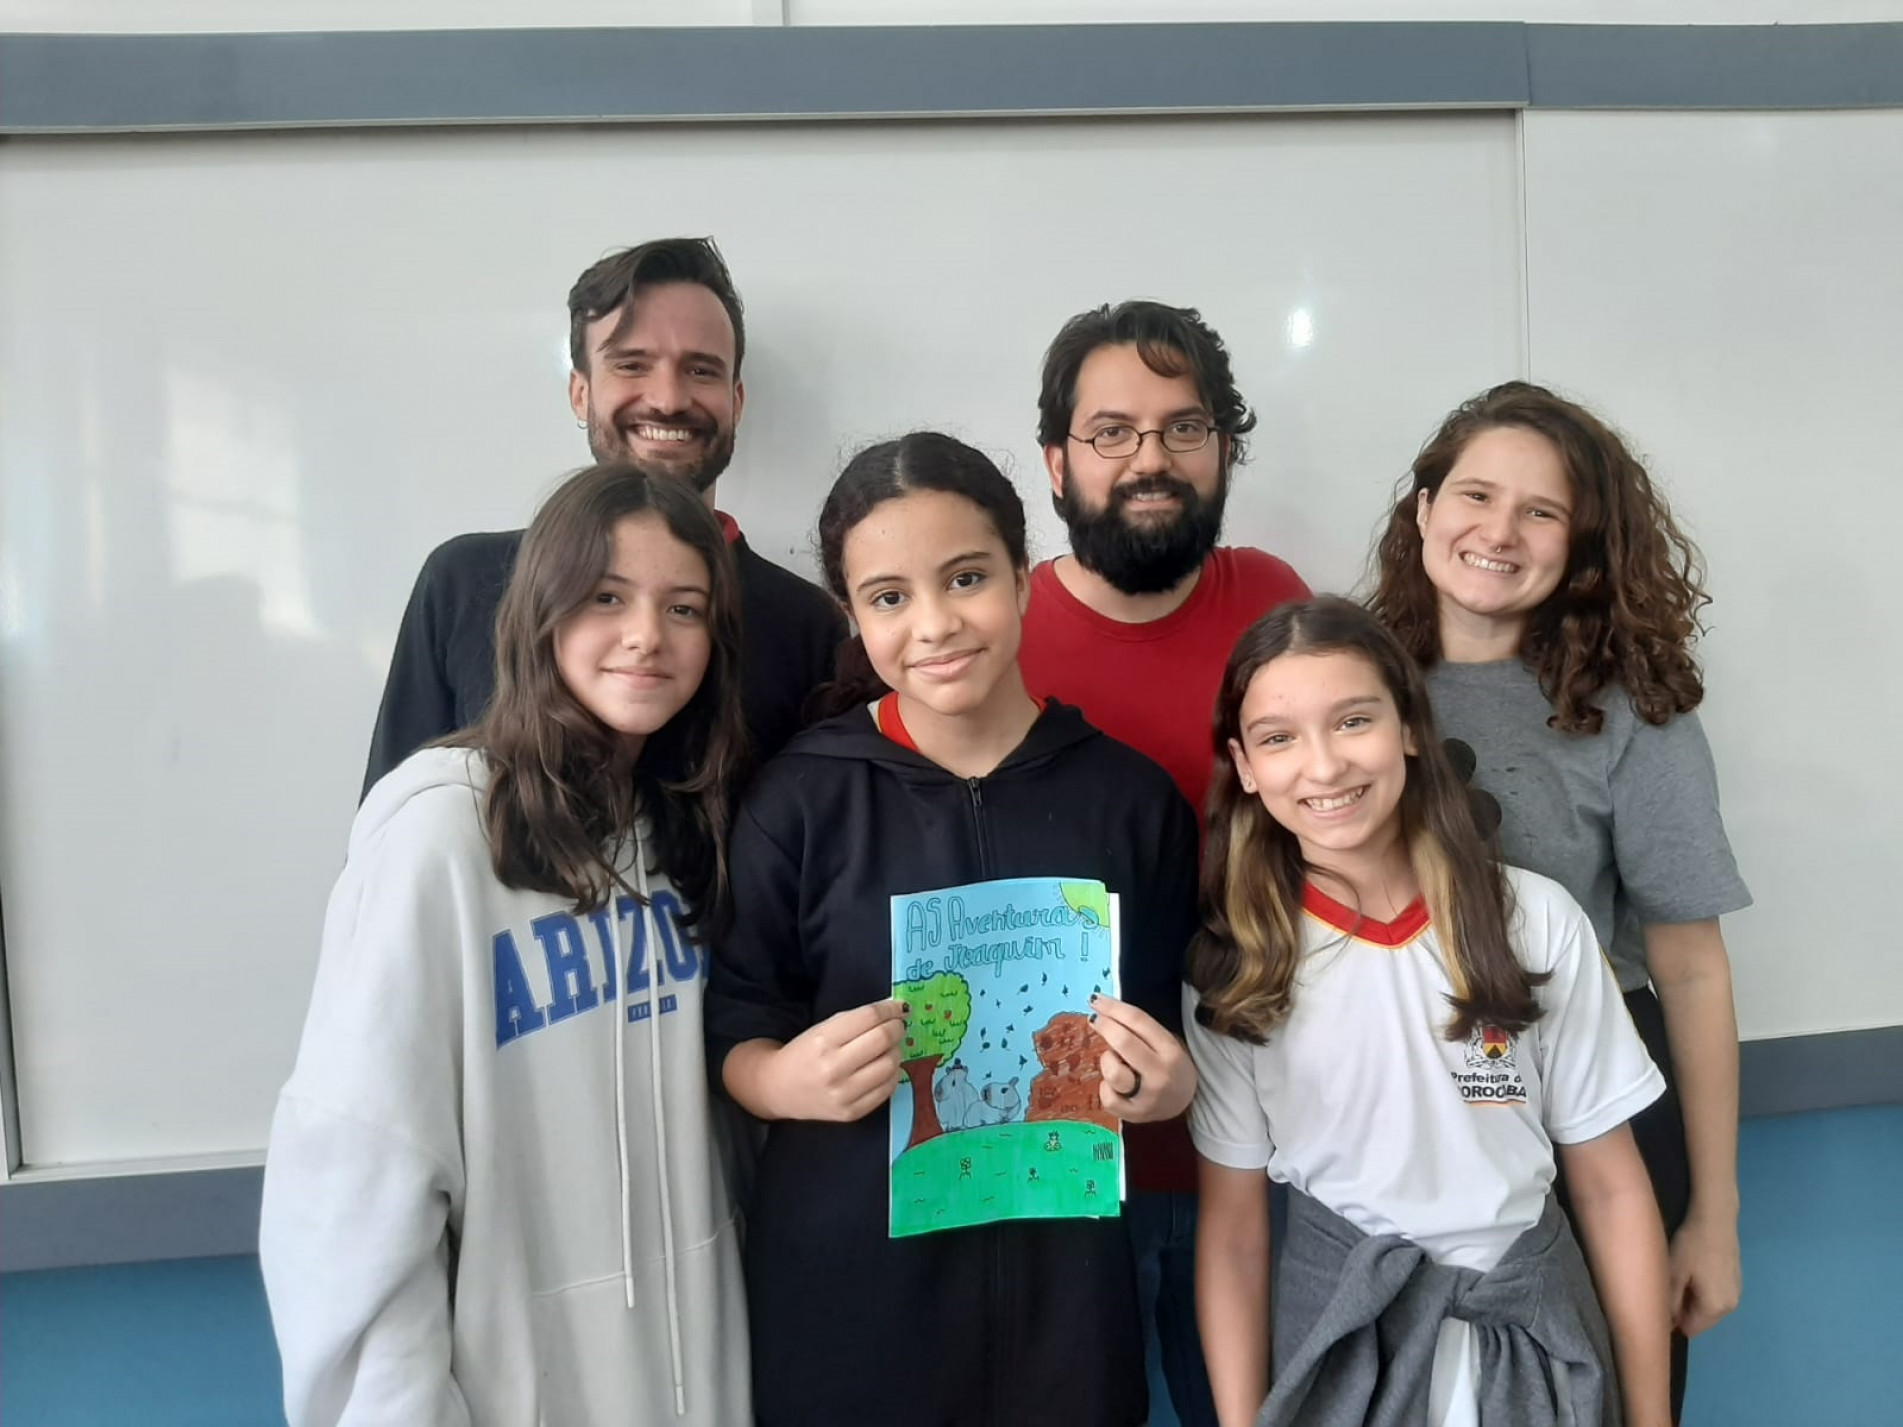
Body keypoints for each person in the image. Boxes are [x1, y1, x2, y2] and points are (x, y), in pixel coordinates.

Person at [705, 431, 1202, 1427]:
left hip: (1063, 1301)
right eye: (889, 596)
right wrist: (775, 1077)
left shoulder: (1129, 798)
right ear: (853, 616)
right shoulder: (802, 798)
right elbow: (730, 1018)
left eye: (965, 576)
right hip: (847, 1297)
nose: (934, 623)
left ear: (1023, 578)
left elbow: (1175, 1021)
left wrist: (1170, 1082)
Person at [261, 466, 751, 1425]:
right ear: (541, 612)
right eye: (607, 596)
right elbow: (357, 1187)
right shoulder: (437, 838)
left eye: (682, 606)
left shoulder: (684, 833)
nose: (647, 634)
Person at [1186, 597, 1673, 1427]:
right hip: (1346, 1348)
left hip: (1534, 1340)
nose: (1323, 766)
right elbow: (1233, 1234)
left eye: (1352, 720)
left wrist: (1651, 1415)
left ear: (1409, 725)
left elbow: (1611, 1187)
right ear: (1243, 763)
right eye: (1278, 738)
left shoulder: (1532, 917)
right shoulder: (1234, 966)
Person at [1368, 380, 1752, 1421]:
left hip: (1596, 1109)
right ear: (1423, 508)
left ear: (1580, 542)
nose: (1499, 531)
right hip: (1394, 1107)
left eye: (1540, 511)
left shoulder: (1634, 709)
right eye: (1475, 495)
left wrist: (1710, 1212)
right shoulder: (1350, 679)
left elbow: (1688, 966)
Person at [1019, 298, 1310, 1426]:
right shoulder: (994, 638)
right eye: (1112, 431)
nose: (1151, 458)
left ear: (1224, 448)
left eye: (1184, 428)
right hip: (1056, 1173)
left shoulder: (1278, 606)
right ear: (1056, 460)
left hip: (1264, 1158)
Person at [361, 236, 842, 796]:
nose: (667, 399)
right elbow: (389, 827)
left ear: (736, 402)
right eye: (632, 365)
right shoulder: (464, 581)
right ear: (580, 393)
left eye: (701, 371)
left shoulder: (806, 623)